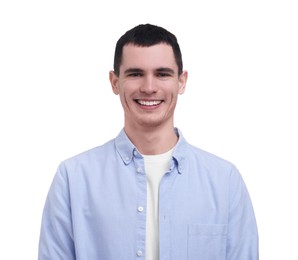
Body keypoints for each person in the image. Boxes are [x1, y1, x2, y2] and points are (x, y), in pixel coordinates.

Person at [38, 24, 259, 260]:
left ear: (181, 81)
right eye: (135, 74)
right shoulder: (73, 179)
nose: (149, 87)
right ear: (115, 82)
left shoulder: (225, 181)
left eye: (162, 74)